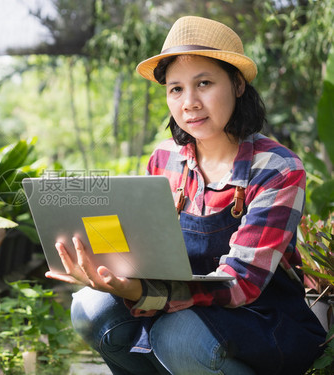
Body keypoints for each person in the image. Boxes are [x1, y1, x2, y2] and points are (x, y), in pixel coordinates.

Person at [45, 16, 327, 375]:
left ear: (237, 84)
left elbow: (241, 285)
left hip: (261, 319)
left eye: (204, 83)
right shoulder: (165, 158)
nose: (189, 102)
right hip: (180, 304)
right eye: (175, 89)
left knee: (177, 335)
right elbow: (143, 248)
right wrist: (105, 266)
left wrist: (143, 293)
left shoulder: (276, 169)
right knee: (89, 308)